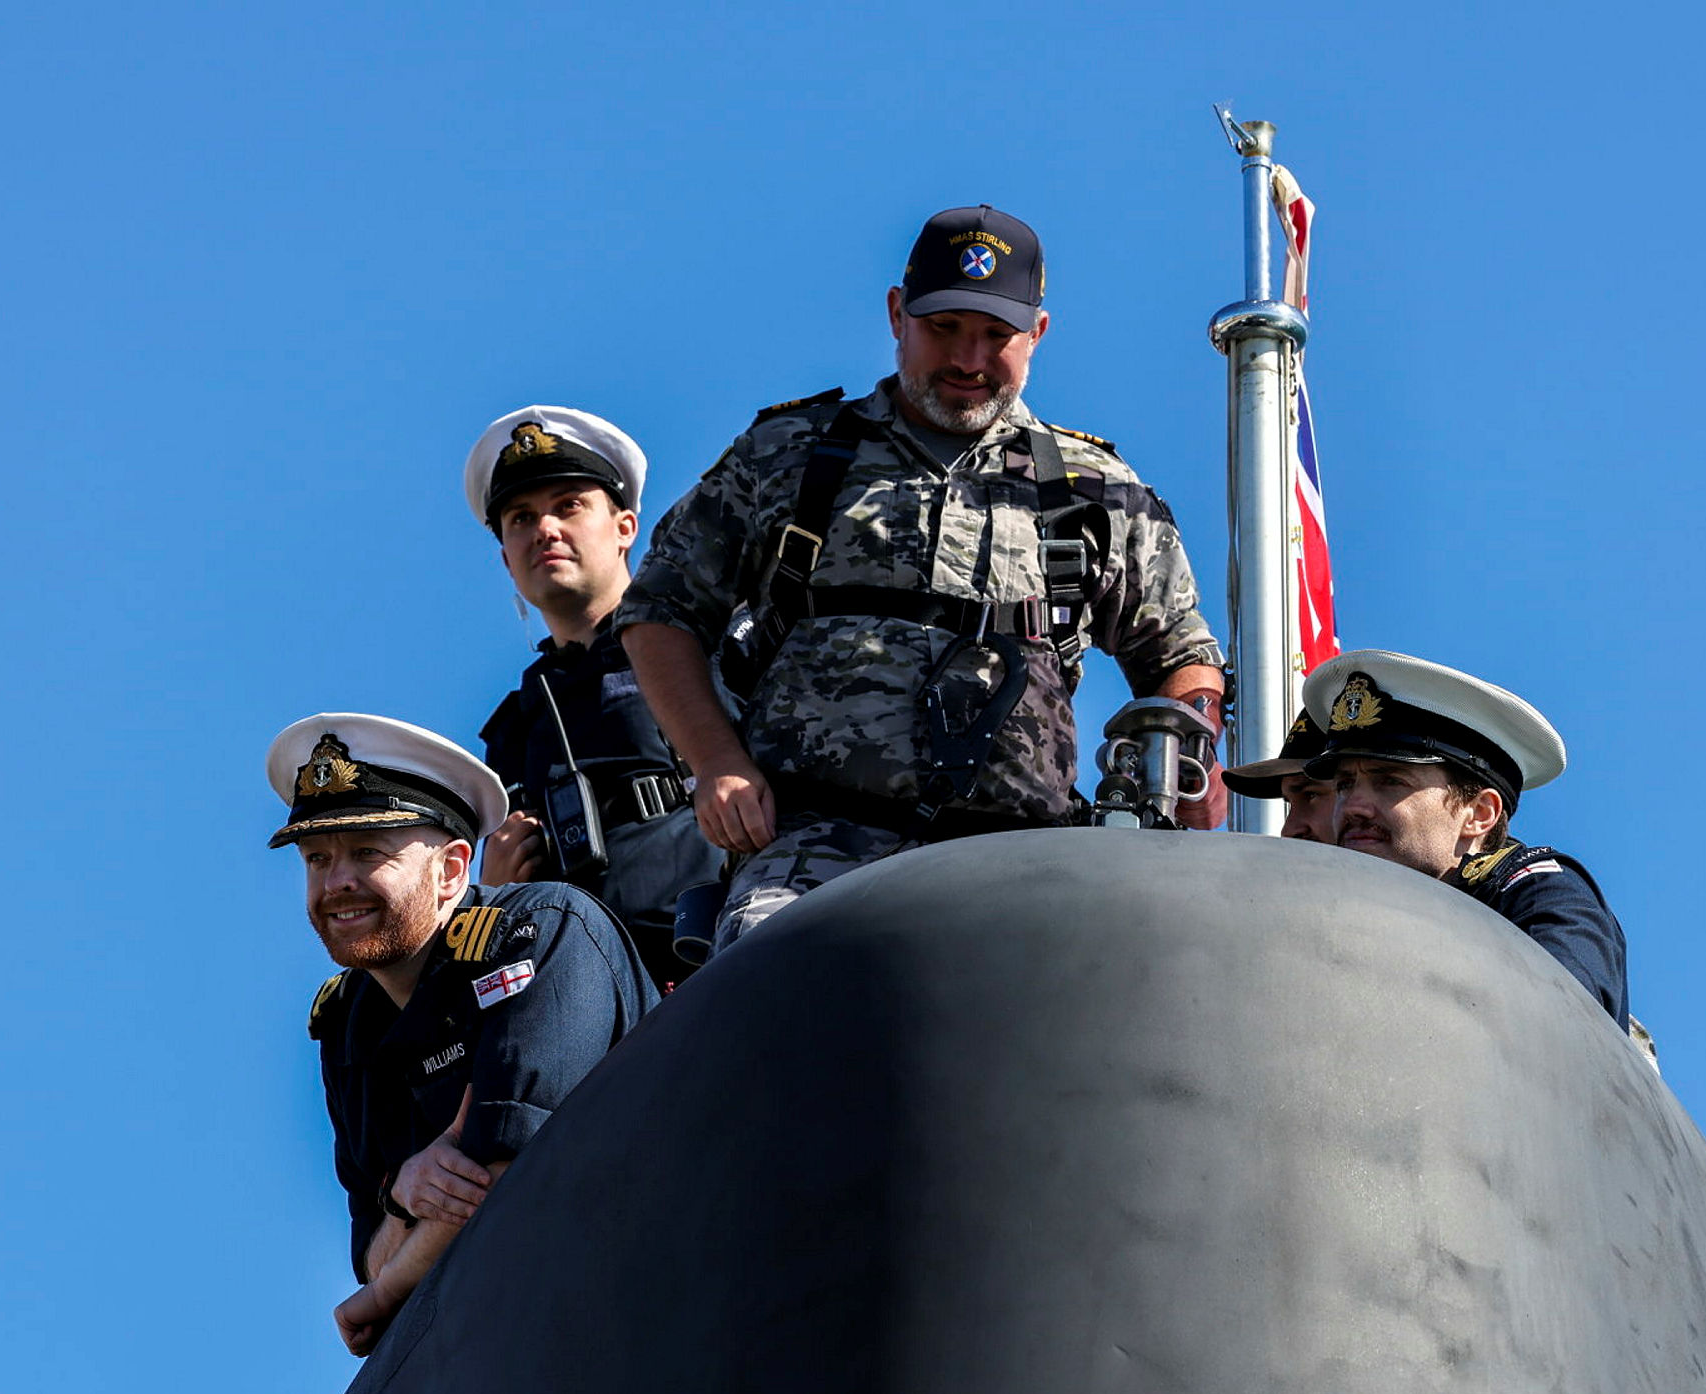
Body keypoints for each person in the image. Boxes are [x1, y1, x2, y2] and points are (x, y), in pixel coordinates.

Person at [620, 204, 1228, 950]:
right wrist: (716, 761)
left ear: (1037, 335)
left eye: (995, 335)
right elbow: (660, 610)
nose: (969, 358)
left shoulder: (1094, 488)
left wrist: (1185, 767)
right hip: (811, 853)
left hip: (1022, 866)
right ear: (896, 314)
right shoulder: (792, 454)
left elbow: (1181, 657)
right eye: (944, 327)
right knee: (772, 1029)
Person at [266, 712, 654, 1354]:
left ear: (451, 871)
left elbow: (509, 1175)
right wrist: (402, 1200)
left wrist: (384, 1297)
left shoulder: (542, 928)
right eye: (317, 859)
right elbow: (370, 1252)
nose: (337, 883)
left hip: (642, 1286)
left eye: (367, 853)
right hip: (523, 1342)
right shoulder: (348, 1021)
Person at [1224, 649, 1630, 1027]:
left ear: (1478, 814)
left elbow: (1563, 1029)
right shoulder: (1340, 915)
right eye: (1346, 784)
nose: (1352, 807)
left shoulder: (1540, 893)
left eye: (1390, 782)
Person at [462, 405, 721, 982]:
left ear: (625, 527)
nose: (545, 530)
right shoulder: (514, 729)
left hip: (719, 955)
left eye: (569, 506)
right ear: (506, 557)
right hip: (590, 996)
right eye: (521, 519)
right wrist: (495, 892)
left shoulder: (705, 643)